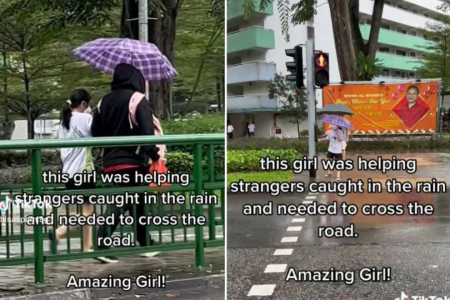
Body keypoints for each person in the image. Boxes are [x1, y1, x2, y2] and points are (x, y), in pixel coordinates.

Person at [91, 63, 160, 263]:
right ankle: (102, 244)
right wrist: (155, 156)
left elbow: (96, 133)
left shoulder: (103, 102)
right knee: (124, 201)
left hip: (110, 160)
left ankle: (145, 241)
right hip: (132, 160)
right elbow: (147, 135)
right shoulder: (138, 100)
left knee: (136, 200)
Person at [49, 89, 95, 253]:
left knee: (84, 211)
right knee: (87, 212)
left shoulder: (64, 122)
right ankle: (59, 231)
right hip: (84, 171)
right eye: (89, 104)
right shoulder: (86, 118)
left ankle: (87, 246)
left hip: (68, 172)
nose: (90, 107)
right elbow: (97, 134)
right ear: (83, 104)